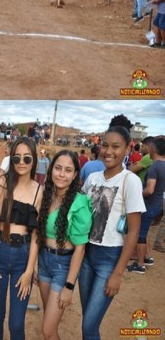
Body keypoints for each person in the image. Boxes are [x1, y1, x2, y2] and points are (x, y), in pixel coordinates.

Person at [79, 126, 146, 340]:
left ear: (127, 148)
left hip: (109, 259)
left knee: (89, 326)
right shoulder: (93, 178)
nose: (109, 151)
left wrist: (117, 274)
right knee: (89, 320)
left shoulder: (131, 181)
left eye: (116, 147)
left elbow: (134, 231)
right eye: (105, 145)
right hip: (85, 255)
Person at [0, 137, 42, 340]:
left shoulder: (39, 190)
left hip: (23, 258)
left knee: (16, 324)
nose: (21, 162)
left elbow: (36, 234)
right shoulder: (2, 183)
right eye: (16, 157)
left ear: (34, 160)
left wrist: (29, 270)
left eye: (27, 159)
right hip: (0, 253)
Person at [36, 151, 92, 340]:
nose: (61, 174)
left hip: (63, 267)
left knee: (47, 331)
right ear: (51, 169)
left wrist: (69, 286)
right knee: (49, 326)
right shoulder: (47, 195)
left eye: (68, 170)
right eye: (58, 168)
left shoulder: (79, 203)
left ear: (75, 174)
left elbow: (80, 248)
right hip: (44, 262)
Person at [128, 136, 165, 273]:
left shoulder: (154, 166)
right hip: (157, 205)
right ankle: (147, 257)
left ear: (154, 149)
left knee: (140, 235)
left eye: (150, 146)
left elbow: (149, 190)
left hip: (148, 205)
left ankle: (140, 265)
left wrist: (137, 194)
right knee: (145, 231)